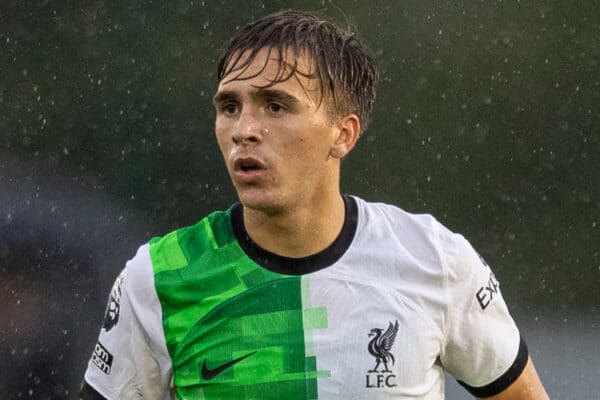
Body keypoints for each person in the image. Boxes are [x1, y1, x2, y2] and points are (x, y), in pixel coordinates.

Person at [80, 9, 549, 400]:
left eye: (275, 106)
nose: (244, 129)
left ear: (343, 134)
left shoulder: (434, 259)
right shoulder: (160, 278)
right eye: (230, 107)